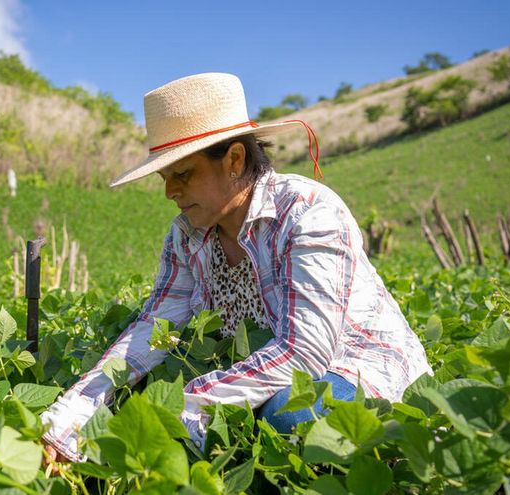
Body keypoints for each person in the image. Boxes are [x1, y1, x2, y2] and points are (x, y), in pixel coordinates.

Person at [40, 72, 432, 463]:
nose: (169, 192)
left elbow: (305, 353)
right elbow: (153, 327)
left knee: (290, 416)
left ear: (234, 159)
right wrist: (76, 409)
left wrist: (185, 407)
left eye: (183, 174)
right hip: (266, 372)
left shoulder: (306, 211)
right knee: (144, 400)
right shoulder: (187, 236)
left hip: (358, 364)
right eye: (165, 178)